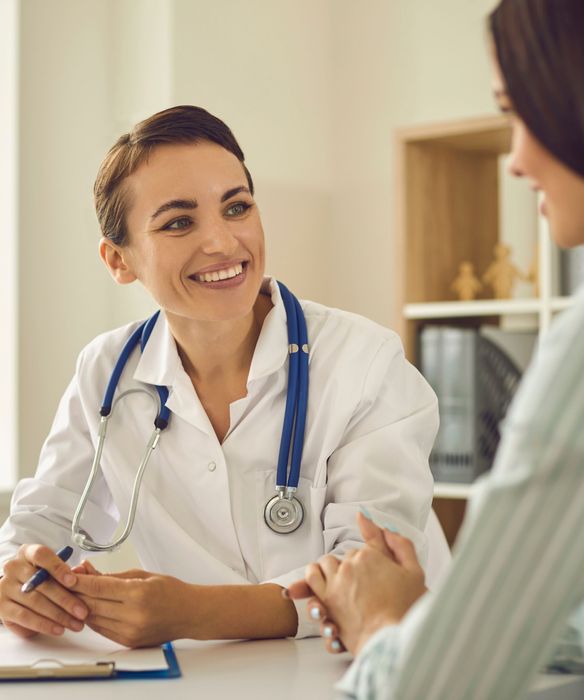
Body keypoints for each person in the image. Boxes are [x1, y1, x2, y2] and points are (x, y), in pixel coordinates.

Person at [288, 1, 584, 697]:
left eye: (518, 113)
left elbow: (435, 687)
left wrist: (386, 625)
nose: (514, 160)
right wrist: (445, 618)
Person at [0, 105, 448, 648]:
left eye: (237, 208)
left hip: (382, 669)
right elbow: (44, 522)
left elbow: (374, 575)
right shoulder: (107, 372)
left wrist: (193, 612)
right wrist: (20, 579)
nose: (222, 242)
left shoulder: (363, 361)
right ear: (119, 261)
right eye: (179, 222)